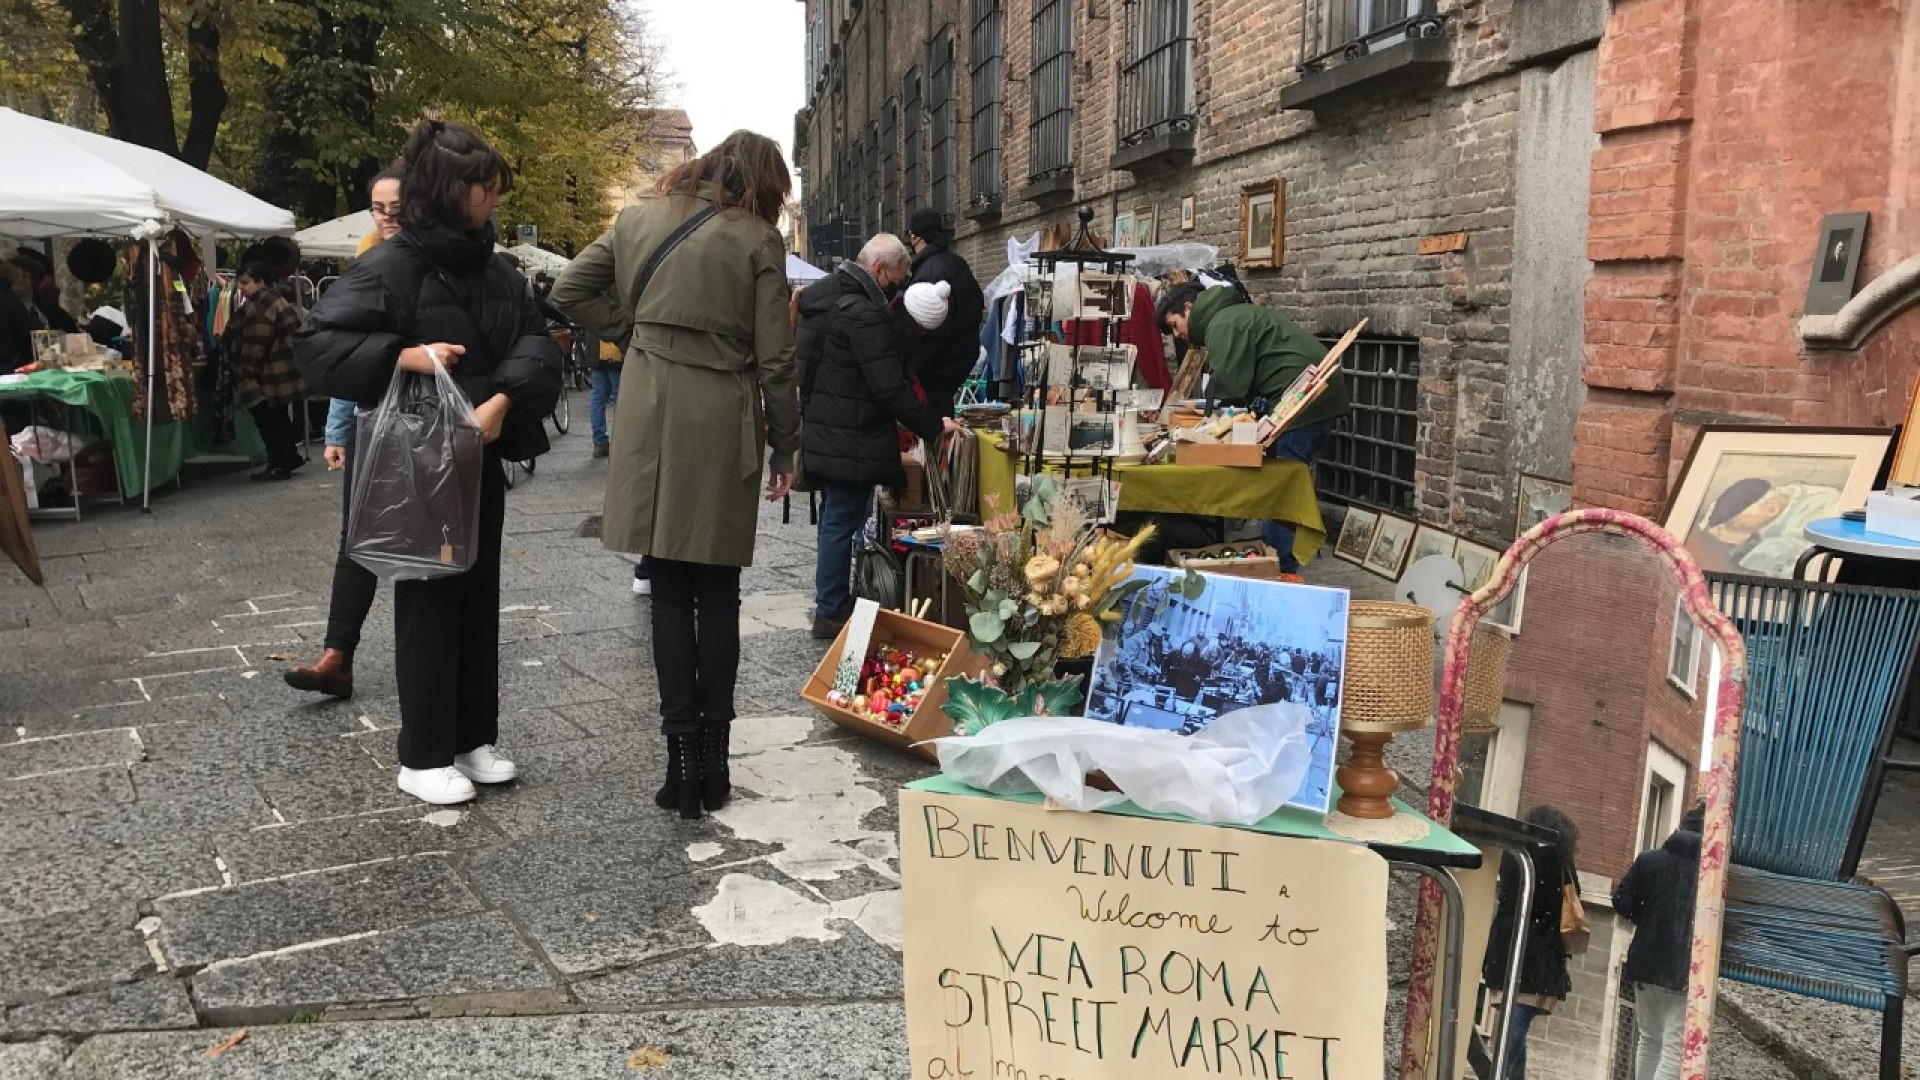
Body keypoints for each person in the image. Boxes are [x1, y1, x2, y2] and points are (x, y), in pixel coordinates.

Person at [295, 119, 561, 806]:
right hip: (416, 461)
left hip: (480, 453)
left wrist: (503, 399)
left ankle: (472, 738)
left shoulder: (496, 267)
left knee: (478, 599)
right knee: (429, 602)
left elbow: (537, 341)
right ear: (451, 192)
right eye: (485, 189)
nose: (494, 201)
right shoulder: (390, 266)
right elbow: (319, 345)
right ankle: (421, 754)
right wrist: (406, 356)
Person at [550, 129, 800, 820]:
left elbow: (570, 289)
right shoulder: (756, 239)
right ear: (763, 185)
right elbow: (777, 357)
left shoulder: (635, 219)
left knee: (665, 586)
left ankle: (679, 761)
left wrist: (637, 331)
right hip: (719, 410)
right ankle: (715, 761)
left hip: (647, 404)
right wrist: (786, 445)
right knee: (717, 590)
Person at [794, 234, 964, 641]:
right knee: (840, 519)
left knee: (839, 517)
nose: (899, 288)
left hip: (833, 424)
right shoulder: (863, 314)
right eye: (898, 278)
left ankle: (833, 601)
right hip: (849, 432)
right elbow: (888, 386)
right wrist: (930, 425)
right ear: (877, 269)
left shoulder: (826, 298)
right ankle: (831, 609)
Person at [285, 166, 405, 700]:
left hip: (432, 418)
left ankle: (439, 655)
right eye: (379, 209)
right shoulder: (365, 260)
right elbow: (346, 357)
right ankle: (338, 655)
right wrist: (337, 427)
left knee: (437, 539)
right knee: (356, 536)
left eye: (397, 208)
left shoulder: (442, 262)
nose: (388, 219)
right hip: (372, 415)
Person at [1156, 280, 1350, 579]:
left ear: (1188, 308)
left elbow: (1231, 385)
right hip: (1303, 397)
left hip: (1304, 400)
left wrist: (1211, 420)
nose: (1177, 334)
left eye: (1174, 324)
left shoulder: (1223, 323)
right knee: (1278, 478)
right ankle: (1272, 558)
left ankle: (1281, 569)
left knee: (1281, 483)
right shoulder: (1231, 315)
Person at [1481, 805, 1580, 1080]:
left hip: (1514, 951)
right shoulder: (1559, 862)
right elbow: (1569, 899)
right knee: (1511, 1030)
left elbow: (1508, 898)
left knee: (1509, 1031)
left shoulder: (1515, 855)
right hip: (1539, 957)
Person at [1614, 802, 1703, 1080]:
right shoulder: (1709, 874)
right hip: (1683, 966)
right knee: (1674, 1045)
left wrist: (1648, 919)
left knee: (1649, 1037)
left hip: (1646, 959)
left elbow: (1621, 900)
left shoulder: (1650, 859)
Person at [222, 263, 307, 480]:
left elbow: (256, 342)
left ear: (259, 282)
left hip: (269, 374)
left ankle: (279, 462)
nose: (241, 288)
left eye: (245, 283)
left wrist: (244, 371)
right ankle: (286, 457)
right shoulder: (275, 300)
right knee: (277, 417)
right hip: (281, 370)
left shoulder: (260, 306)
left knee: (268, 419)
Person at [902, 208, 984, 416]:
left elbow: (933, 330)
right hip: (956, 364)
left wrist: (913, 368)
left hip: (933, 370)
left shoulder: (929, 270)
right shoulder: (957, 263)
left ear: (914, 235)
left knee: (933, 428)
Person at [1692, 476, 1840, 577]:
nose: (1729, 529)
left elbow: (1802, 564)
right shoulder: (1768, 508)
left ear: (1771, 508)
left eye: (1733, 525)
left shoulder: (1824, 505)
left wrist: (1743, 544)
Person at [590, 331, 622, 458]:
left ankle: (599, 443)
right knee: (620, 396)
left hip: (596, 351)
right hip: (615, 351)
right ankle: (621, 440)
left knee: (597, 397)